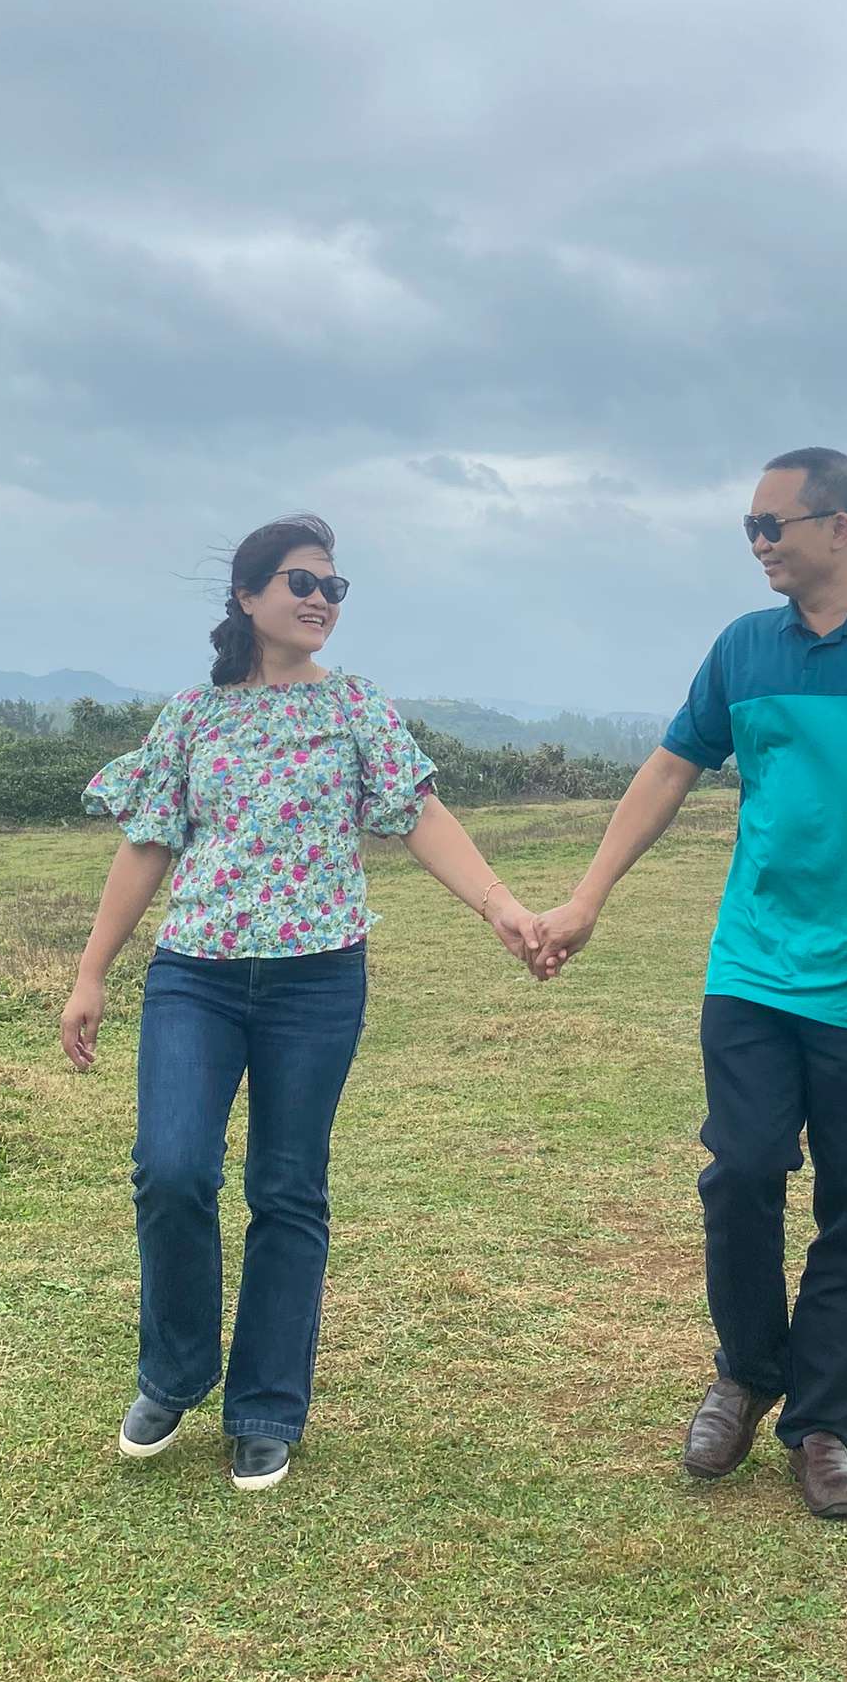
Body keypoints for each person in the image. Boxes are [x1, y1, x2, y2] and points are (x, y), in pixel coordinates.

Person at [532, 448, 847, 1519]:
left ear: (840, 527)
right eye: (748, 526)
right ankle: (746, 1371)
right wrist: (588, 896)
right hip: (754, 966)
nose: (756, 543)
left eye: (770, 524)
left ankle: (821, 1424)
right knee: (741, 1169)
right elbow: (670, 768)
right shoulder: (743, 647)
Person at [59, 513, 543, 1491]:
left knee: (287, 1189)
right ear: (247, 597)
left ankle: (266, 1408)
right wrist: (91, 970)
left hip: (317, 979)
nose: (322, 598)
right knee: (171, 1169)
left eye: (334, 586)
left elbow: (420, 814)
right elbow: (147, 843)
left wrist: (500, 905)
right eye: (301, 581)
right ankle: (173, 1372)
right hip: (195, 974)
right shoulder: (193, 718)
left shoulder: (355, 706)